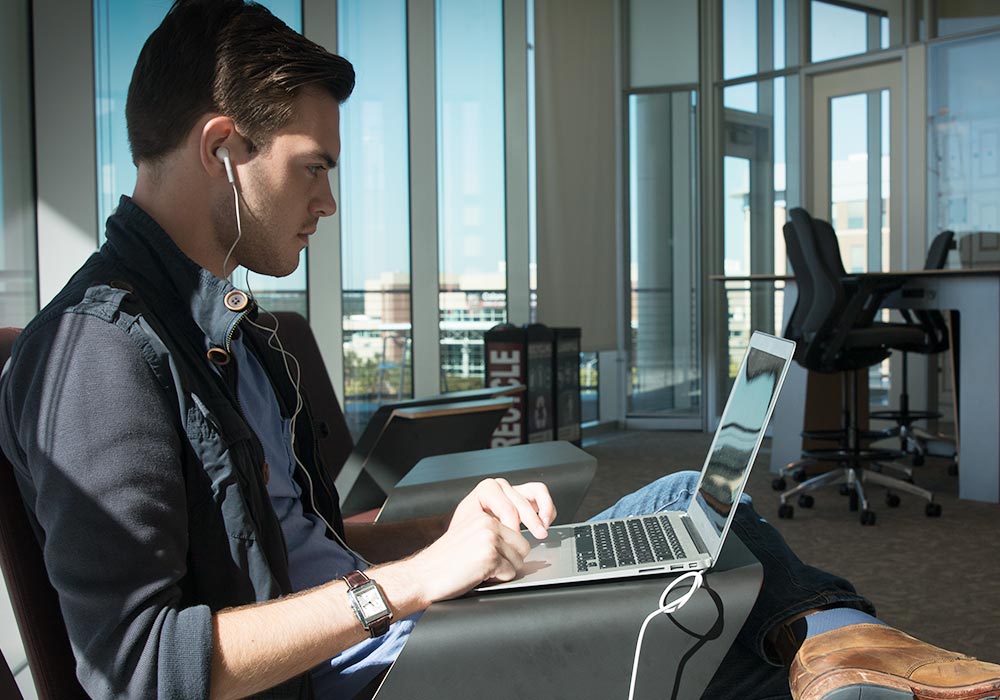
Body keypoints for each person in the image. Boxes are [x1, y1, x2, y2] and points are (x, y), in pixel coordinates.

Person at [1, 2, 998, 699]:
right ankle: (847, 656)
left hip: (396, 631)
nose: (329, 202)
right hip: (375, 676)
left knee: (681, 509)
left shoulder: (226, 330)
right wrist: (420, 580)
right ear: (223, 149)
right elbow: (140, 670)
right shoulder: (99, 358)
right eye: (312, 168)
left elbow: (297, 545)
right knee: (709, 636)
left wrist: (458, 537)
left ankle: (846, 650)